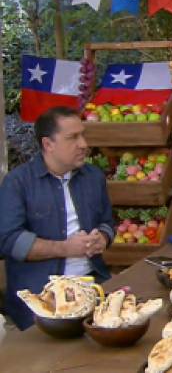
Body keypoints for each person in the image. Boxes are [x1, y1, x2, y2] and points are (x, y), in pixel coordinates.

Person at [0, 106, 114, 330]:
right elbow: (9, 241)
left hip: (94, 283)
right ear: (48, 144)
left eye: (83, 135)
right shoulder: (17, 183)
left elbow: (107, 223)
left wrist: (102, 238)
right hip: (42, 294)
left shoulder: (93, 177)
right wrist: (65, 248)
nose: (83, 144)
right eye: (73, 137)